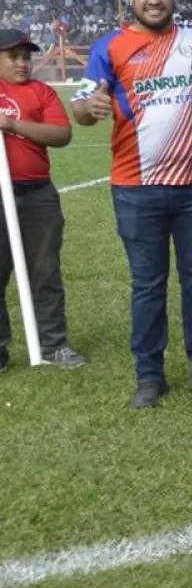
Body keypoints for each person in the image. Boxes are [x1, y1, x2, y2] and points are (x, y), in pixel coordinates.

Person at [72, 0, 192, 409]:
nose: (154, 0)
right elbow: (81, 106)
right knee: (148, 284)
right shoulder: (110, 46)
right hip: (136, 187)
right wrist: (89, 108)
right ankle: (149, 375)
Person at [0, 29, 82, 372]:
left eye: (26, 56)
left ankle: (54, 344)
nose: (22, 63)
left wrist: (13, 124)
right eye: (13, 57)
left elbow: (61, 134)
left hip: (37, 195)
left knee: (45, 271)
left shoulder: (41, 92)